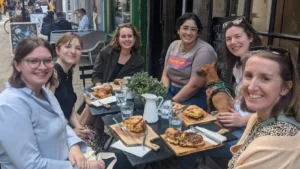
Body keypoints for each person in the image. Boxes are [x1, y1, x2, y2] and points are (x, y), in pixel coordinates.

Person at [0, 36, 104, 169]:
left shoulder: (44, 91)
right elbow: (30, 165)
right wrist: (84, 167)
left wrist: (74, 146)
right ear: (17, 65)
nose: (42, 67)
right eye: (33, 61)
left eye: (47, 60)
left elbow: (62, 122)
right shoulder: (10, 105)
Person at [228, 46, 300, 168]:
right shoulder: (257, 118)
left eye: (265, 78)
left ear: (285, 88)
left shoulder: (278, 142)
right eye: (249, 76)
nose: (251, 87)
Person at [83, 23, 144, 131]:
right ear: (118, 38)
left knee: (94, 108)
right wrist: (100, 88)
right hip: (102, 91)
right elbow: (96, 75)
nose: (127, 39)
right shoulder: (107, 52)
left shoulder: (138, 60)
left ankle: (85, 136)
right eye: (123, 36)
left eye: (130, 36)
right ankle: (91, 136)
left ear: (134, 38)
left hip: (122, 98)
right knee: (94, 107)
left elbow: (132, 83)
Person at [160, 13, 217, 110]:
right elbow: (165, 75)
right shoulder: (173, 45)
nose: (189, 32)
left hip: (194, 96)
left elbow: (194, 86)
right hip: (171, 90)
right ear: (178, 30)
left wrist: (171, 102)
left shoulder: (204, 51)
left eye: (193, 29)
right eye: (185, 28)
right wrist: (162, 94)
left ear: (198, 33)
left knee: (172, 117)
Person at [53, 32, 94, 141]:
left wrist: (79, 128)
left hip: (64, 129)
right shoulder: (53, 75)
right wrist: (70, 132)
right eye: (67, 46)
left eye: (78, 48)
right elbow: (45, 117)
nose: (73, 51)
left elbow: (69, 107)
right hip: (55, 136)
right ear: (57, 50)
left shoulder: (68, 72)